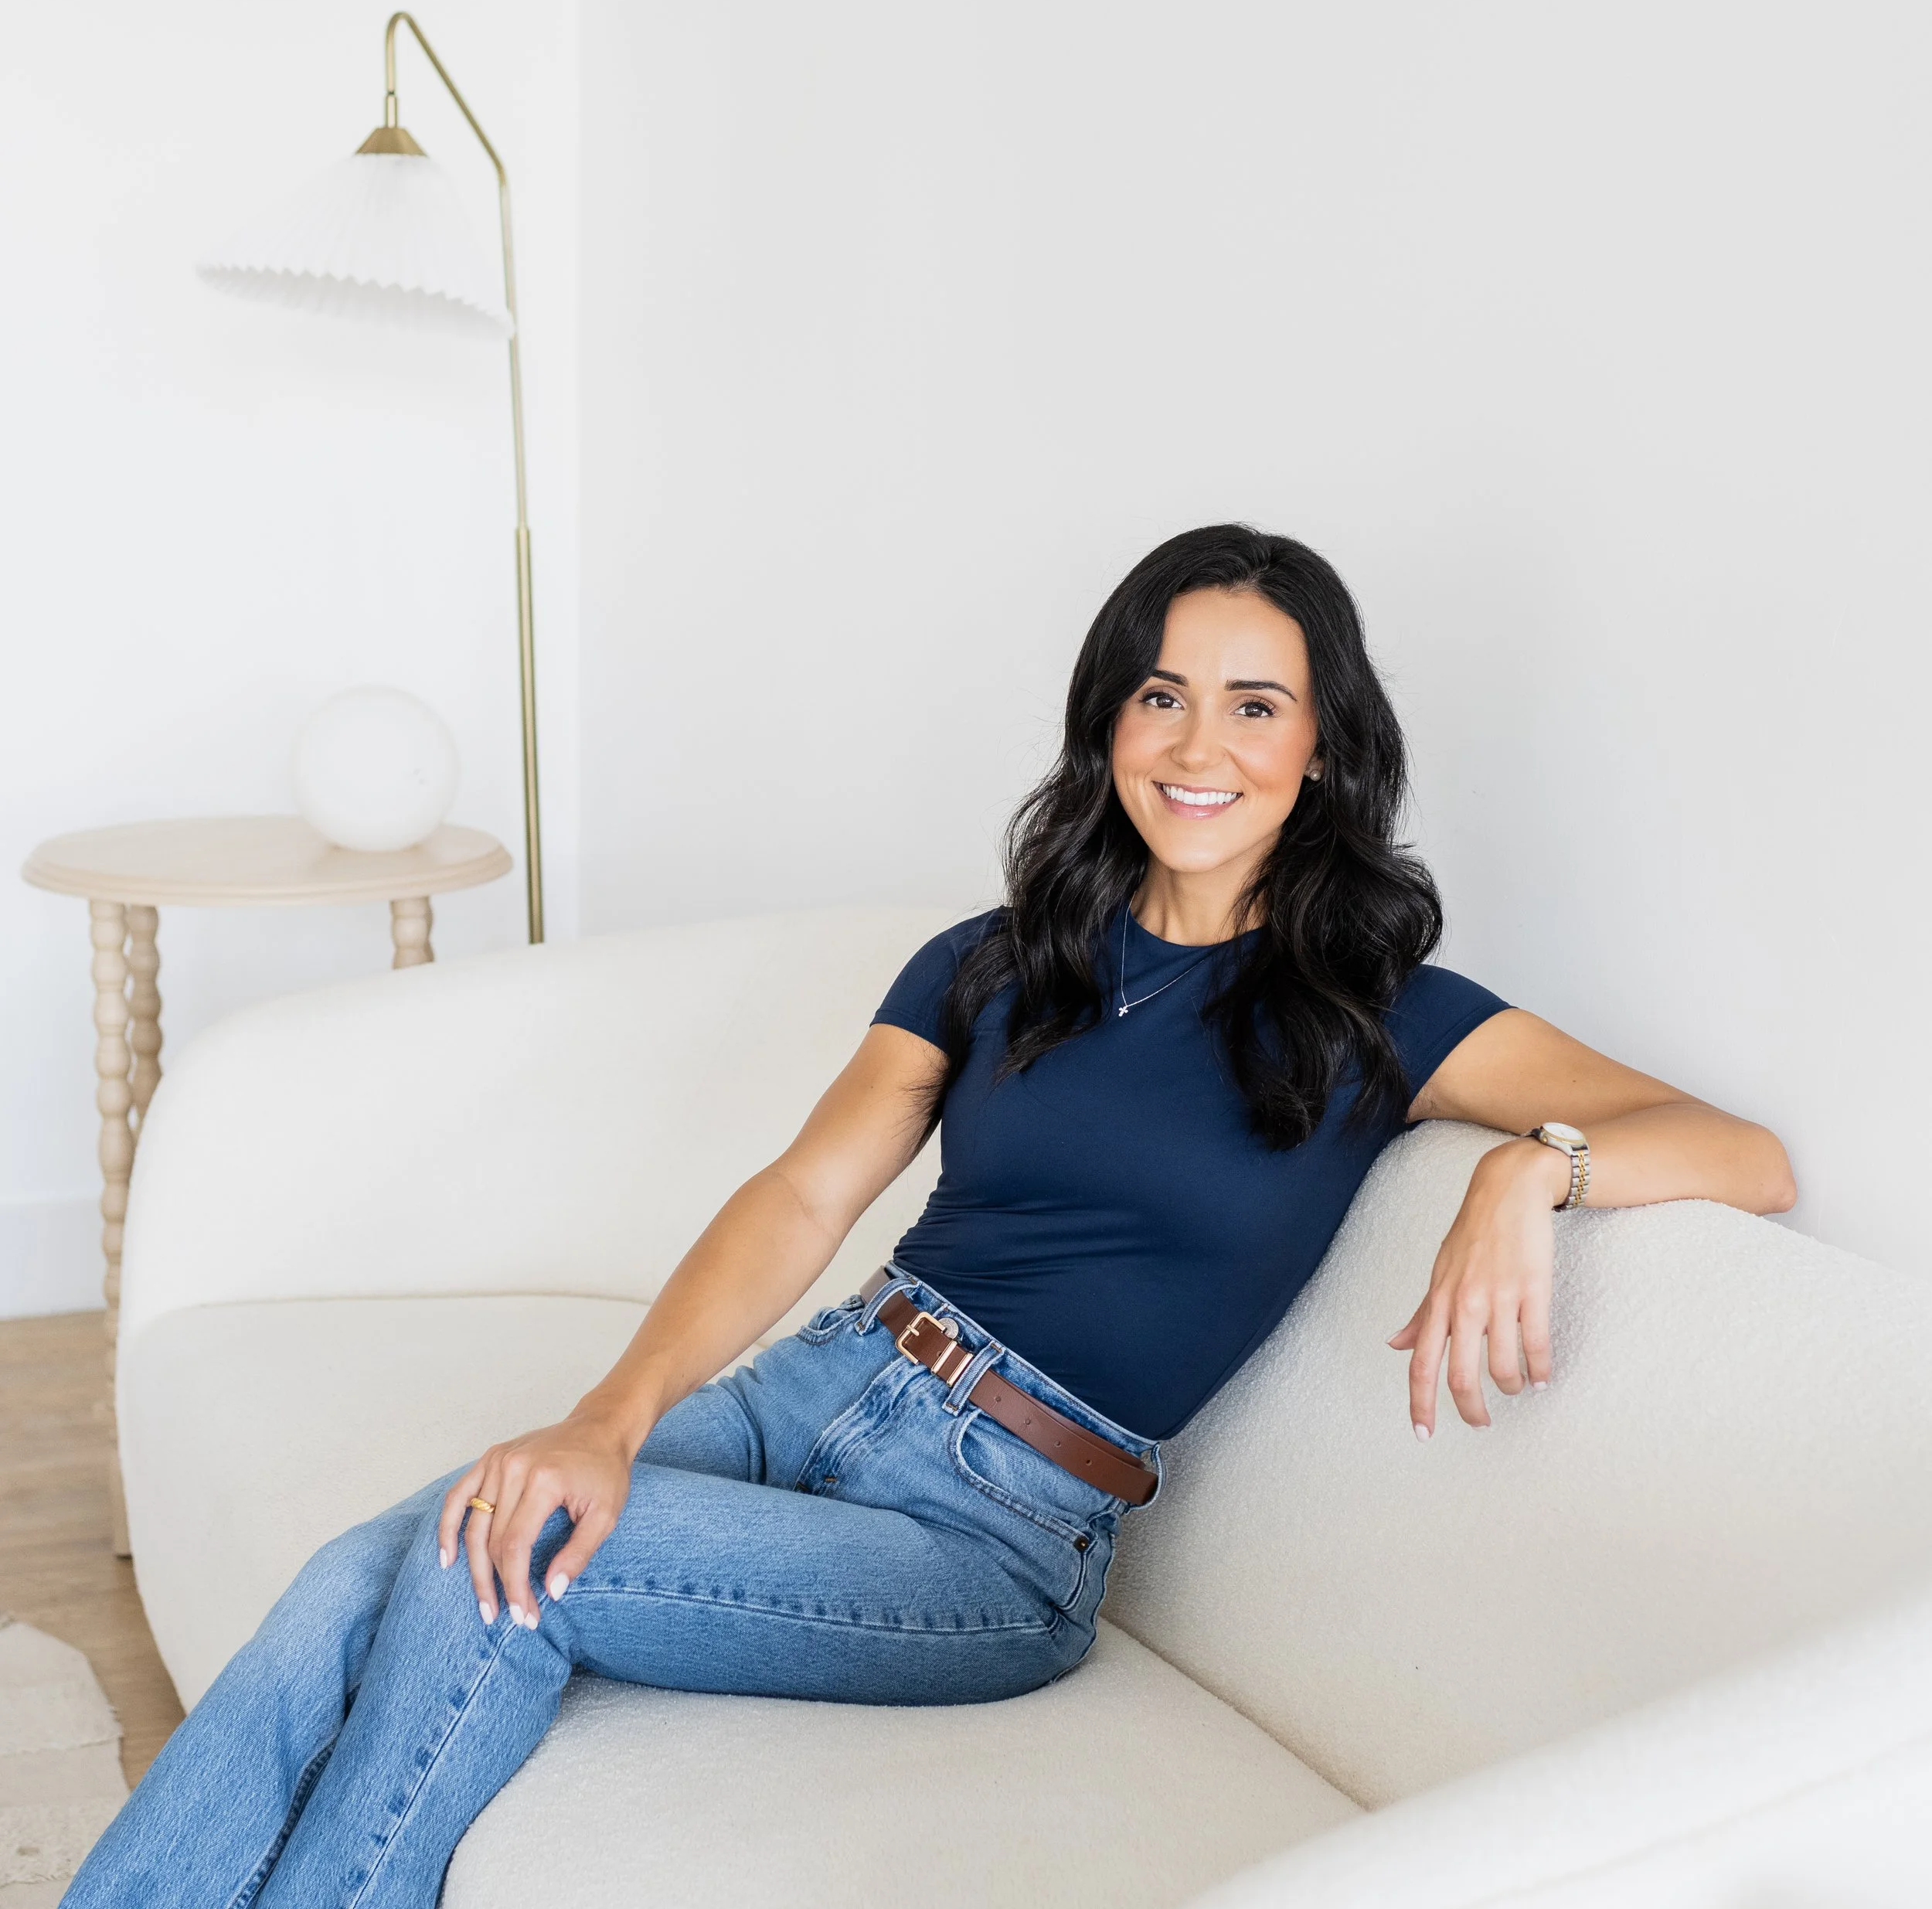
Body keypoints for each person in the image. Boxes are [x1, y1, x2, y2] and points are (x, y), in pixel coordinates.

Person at [66, 524, 1793, 1907]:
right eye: (1161, 695)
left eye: (1254, 704)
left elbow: (1734, 1148)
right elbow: (805, 1190)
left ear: (1324, 747)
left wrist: (1528, 1166)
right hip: (813, 1387)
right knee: (374, 1565)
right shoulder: (997, 956)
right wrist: (612, 1415)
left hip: (996, 1531)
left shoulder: (1376, 1007)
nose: (1198, 745)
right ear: (1106, 720)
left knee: (505, 1563)